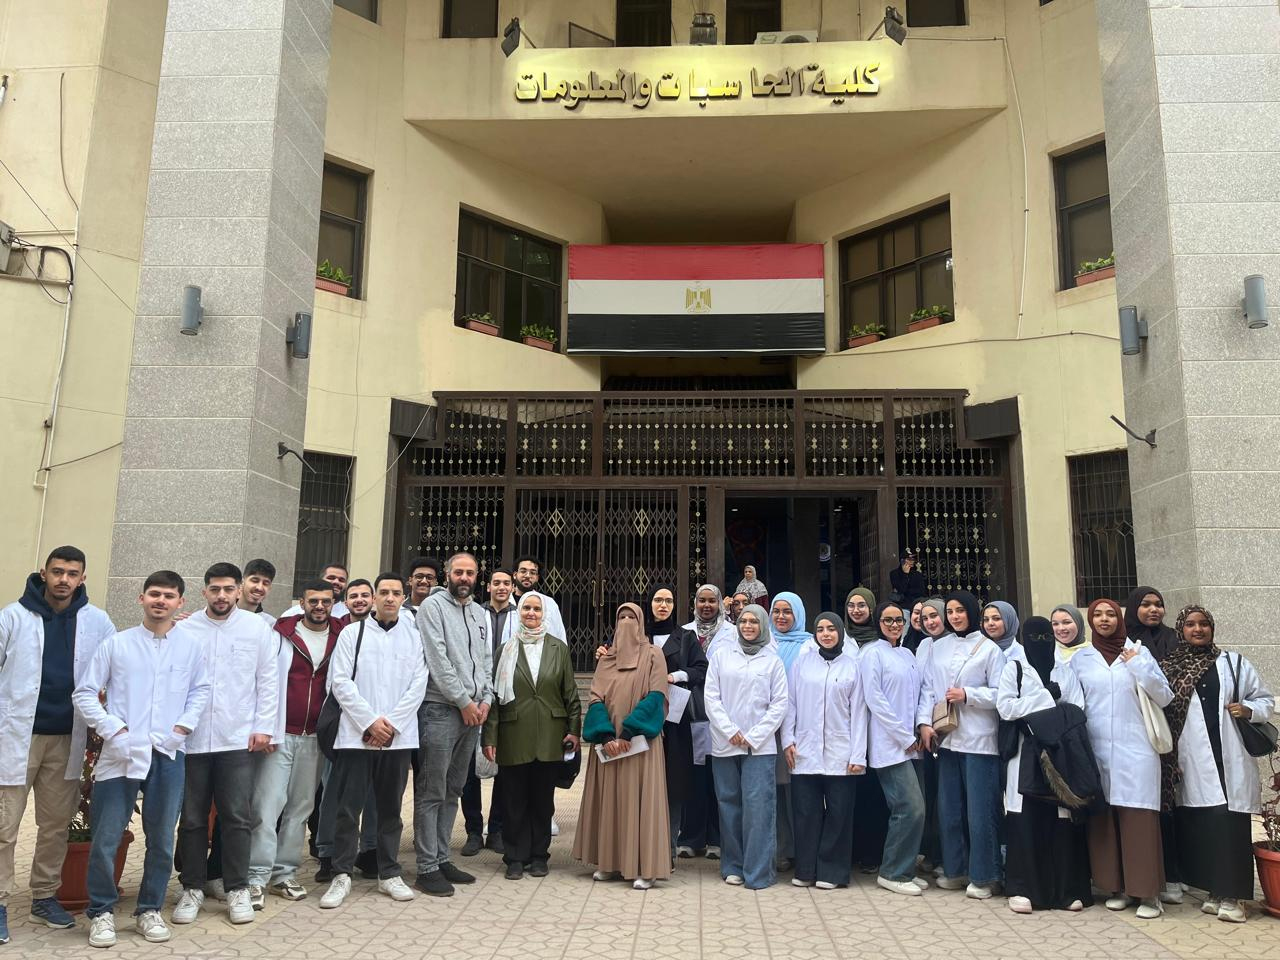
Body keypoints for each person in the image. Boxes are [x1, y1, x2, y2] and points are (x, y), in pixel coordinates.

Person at [72, 572, 210, 948]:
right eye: (154, 594)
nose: (160, 601)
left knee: (162, 838)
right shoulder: (117, 644)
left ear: (180, 602)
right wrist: (112, 729)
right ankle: (101, 911)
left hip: (168, 751)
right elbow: (84, 693)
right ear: (141, 598)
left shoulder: (190, 647)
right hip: (121, 751)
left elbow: (201, 690)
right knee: (106, 837)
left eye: (169, 595)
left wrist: (182, 727)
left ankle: (149, 908)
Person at [0, 546, 116, 943]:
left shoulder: (98, 621)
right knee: (4, 826)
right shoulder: (12, 617)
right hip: (17, 737)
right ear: (43, 573)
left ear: (83, 578)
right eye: (57, 571)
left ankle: (44, 897)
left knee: (54, 826)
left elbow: (117, 668)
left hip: (68, 738)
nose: (64, 579)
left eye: (72, 573)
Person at [172, 563, 278, 927]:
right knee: (192, 818)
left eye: (228, 589)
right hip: (193, 739)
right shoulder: (186, 629)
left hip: (237, 737)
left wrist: (264, 727)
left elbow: (268, 679)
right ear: (204, 591)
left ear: (238, 591)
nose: (221, 596)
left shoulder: (255, 629)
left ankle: (237, 888)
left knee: (236, 816)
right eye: (215, 589)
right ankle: (192, 887)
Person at [1053, 598, 1173, 920]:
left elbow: (1164, 696)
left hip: (1137, 750)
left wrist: (1137, 665)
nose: (1104, 620)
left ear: (1119, 619)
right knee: (1104, 821)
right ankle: (1115, 888)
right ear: (1090, 621)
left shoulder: (1138, 652)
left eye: (1110, 614)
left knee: (1138, 820)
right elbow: (1073, 702)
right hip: (1097, 750)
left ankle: (1148, 893)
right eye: (1097, 615)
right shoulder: (1081, 659)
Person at [318, 574, 428, 909]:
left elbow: (419, 684)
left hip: (397, 738)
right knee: (348, 808)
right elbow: (340, 682)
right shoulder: (353, 634)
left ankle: (388, 872)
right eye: (384, 592)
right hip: (356, 736)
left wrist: (390, 725)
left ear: (403, 597)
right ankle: (341, 873)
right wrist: (369, 722)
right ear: (374, 598)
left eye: (396, 593)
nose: (390, 598)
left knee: (390, 809)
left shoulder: (414, 636)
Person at [1161, 605, 1274, 924]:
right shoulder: (1170, 667)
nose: (1198, 629)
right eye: (1191, 624)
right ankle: (1214, 891)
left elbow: (1265, 699)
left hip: (1230, 757)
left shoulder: (1233, 663)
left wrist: (1248, 710)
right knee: (1202, 824)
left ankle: (1233, 897)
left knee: (1230, 824)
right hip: (1191, 760)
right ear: (1181, 629)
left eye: (1204, 624)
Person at [247, 580, 343, 907]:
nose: (319, 606)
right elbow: (262, 680)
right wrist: (265, 727)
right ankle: (256, 877)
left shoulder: (340, 636)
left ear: (333, 603)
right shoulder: (281, 634)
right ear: (301, 602)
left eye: (326, 601)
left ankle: (284, 874)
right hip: (280, 734)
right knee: (267, 806)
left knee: (300, 808)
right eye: (313, 600)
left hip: (316, 737)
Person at [482, 592, 581, 879]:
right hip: (513, 733)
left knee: (542, 801)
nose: (531, 613)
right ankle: (515, 857)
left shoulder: (558, 648)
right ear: (519, 612)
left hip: (550, 734)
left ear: (544, 613)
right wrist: (489, 737)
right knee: (513, 800)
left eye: (537, 609)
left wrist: (574, 730)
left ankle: (539, 856)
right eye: (526, 608)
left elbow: (570, 693)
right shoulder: (505, 650)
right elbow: (495, 697)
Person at [997, 616, 1092, 914]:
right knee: (1025, 818)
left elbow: (1076, 709)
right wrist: (1045, 697)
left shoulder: (1065, 670)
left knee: (1060, 817)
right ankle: (1023, 889)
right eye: (1034, 637)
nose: (1040, 642)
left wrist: (1039, 714)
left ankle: (1065, 891)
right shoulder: (1013, 668)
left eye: (1045, 636)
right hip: (1024, 751)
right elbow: (1006, 708)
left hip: (1059, 752)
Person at [915, 590, 1005, 899]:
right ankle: (956, 870)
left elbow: (1001, 694)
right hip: (946, 739)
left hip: (979, 740)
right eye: (950, 612)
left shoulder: (990, 649)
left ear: (971, 612)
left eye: (960, 611)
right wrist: (924, 724)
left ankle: (985, 875)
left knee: (980, 812)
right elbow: (927, 689)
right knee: (949, 809)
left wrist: (969, 695)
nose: (954, 617)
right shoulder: (939, 648)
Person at [574, 603, 670, 890]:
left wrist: (629, 732)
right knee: (611, 800)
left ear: (641, 623)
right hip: (610, 744)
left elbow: (657, 694)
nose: (627, 622)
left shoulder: (653, 654)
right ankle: (610, 862)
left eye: (632, 617)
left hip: (640, 742)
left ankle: (645, 868)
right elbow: (595, 697)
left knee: (641, 801)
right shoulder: (606, 659)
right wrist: (606, 736)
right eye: (622, 617)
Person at [413, 552, 493, 896]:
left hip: (473, 713)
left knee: (453, 790)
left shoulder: (478, 613)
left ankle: (442, 857)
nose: (464, 577)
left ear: (477, 576)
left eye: (470, 572)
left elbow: (486, 660)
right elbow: (438, 659)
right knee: (431, 790)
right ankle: (426, 867)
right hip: (441, 710)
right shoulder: (432, 607)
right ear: (447, 574)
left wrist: (486, 698)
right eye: (458, 572)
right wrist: (463, 701)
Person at [704, 604, 789, 890]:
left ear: (763, 625)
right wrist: (730, 731)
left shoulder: (773, 661)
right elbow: (711, 698)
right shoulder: (721, 655)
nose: (748, 626)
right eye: (743, 621)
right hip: (725, 743)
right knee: (729, 805)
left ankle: (759, 871)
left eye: (754, 621)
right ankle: (733, 866)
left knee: (758, 807)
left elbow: (780, 704)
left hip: (759, 746)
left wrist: (754, 735)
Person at [783, 611, 863, 890]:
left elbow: (860, 713)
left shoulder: (852, 666)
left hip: (842, 751)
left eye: (831, 629)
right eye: (820, 629)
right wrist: (788, 740)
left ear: (840, 632)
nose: (826, 634)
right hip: (804, 749)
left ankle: (832, 872)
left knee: (840, 814)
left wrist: (858, 754)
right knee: (806, 812)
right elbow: (790, 703)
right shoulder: (802, 664)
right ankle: (806, 870)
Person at [855, 602, 927, 898]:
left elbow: (919, 694)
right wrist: (902, 735)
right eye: (888, 620)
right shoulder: (871, 653)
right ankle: (893, 872)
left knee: (916, 808)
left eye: (899, 620)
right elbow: (874, 699)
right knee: (909, 807)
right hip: (889, 744)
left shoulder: (908, 654)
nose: (895, 625)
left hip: (912, 743)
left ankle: (905, 868)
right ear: (878, 622)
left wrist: (918, 728)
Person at [312, 579, 377, 881]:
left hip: (379, 727)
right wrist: (361, 718)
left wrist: (375, 721)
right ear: (345, 601)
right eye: (354, 596)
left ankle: (370, 851)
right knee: (334, 792)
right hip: (342, 722)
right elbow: (335, 683)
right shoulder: (337, 631)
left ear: (373, 599)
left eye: (365, 595)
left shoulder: (386, 632)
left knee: (374, 792)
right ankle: (328, 852)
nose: (360, 600)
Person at [645, 585, 708, 860]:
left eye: (668, 600)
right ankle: (642, 847)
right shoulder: (638, 634)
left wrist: (676, 676)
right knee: (644, 783)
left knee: (673, 785)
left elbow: (701, 669)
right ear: (649, 603)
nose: (663, 605)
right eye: (658, 600)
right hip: (642, 718)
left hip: (675, 720)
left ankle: (668, 850)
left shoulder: (685, 637)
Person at [461, 567, 517, 858]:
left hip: (507, 698)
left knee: (503, 766)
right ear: (489, 586)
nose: (502, 587)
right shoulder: (474, 613)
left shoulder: (519, 616)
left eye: (507, 583)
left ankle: (496, 829)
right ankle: (473, 830)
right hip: (476, 694)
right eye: (497, 582)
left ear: (512, 587)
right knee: (469, 767)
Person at [676, 585, 734, 861]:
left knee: (718, 776)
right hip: (690, 710)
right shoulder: (684, 632)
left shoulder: (732, 632)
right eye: (702, 600)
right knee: (693, 776)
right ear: (695, 603)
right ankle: (690, 837)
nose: (707, 605)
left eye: (712, 601)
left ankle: (716, 838)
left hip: (721, 711)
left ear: (720, 604)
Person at [844, 587, 887, 874]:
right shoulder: (841, 639)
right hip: (846, 727)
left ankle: (873, 853)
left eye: (862, 605)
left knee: (875, 792)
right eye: (852, 605)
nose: (856, 610)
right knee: (849, 793)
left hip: (878, 728)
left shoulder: (882, 642)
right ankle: (851, 851)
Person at [913, 596, 949, 874]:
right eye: (925, 618)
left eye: (934, 616)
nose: (929, 621)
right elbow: (922, 687)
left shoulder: (957, 643)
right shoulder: (923, 645)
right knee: (930, 792)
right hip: (926, 728)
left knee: (947, 797)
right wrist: (922, 723)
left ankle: (947, 855)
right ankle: (932, 851)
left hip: (951, 726)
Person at [508, 556, 566, 645]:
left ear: (537, 577)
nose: (527, 576)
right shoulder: (505, 603)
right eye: (523, 571)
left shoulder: (549, 604)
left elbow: (559, 635)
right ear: (515, 575)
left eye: (532, 573)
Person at [1125, 587, 1178, 664]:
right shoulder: (1123, 639)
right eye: (1145, 605)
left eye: (1158, 605)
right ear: (1133, 608)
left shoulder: (1175, 636)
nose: (1154, 609)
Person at [283, 563, 349, 620]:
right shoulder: (293, 614)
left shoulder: (349, 616)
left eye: (341, 580)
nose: (336, 582)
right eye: (331, 578)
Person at [239, 559, 277, 627]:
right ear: (242, 582)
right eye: (255, 581)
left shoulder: (270, 625)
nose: (259, 588)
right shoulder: (222, 615)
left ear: (269, 588)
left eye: (265, 583)